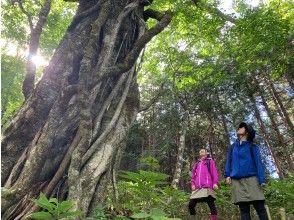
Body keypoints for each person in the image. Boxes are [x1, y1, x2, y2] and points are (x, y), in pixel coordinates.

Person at [224, 122, 269, 220]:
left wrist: (262, 180)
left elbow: (258, 163)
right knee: (244, 210)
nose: (239, 128)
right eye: (239, 127)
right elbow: (229, 161)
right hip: (237, 181)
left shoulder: (253, 146)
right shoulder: (232, 147)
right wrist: (227, 175)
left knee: (260, 207)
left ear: (247, 132)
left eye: (242, 127)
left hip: (252, 179)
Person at [188, 149, 219, 220]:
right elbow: (193, 176)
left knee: (211, 204)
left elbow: (214, 173)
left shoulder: (210, 161)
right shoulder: (197, 164)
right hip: (197, 188)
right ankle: (193, 218)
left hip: (207, 187)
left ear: (206, 153)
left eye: (202, 151)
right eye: (200, 151)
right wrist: (193, 184)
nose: (200, 152)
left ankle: (214, 219)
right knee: (191, 204)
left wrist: (215, 183)